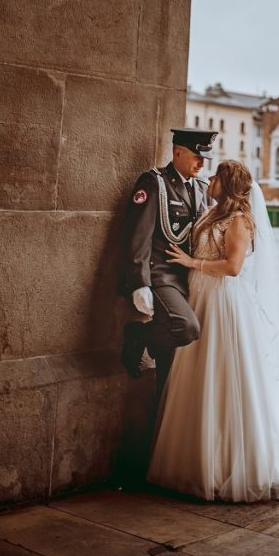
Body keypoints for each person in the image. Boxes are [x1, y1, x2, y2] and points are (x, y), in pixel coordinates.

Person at [147, 159, 279, 502]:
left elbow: (233, 267)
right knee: (200, 378)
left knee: (226, 376)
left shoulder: (238, 221)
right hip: (201, 298)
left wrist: (193, 263)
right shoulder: (211, 212)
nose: (210, 179)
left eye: (216, 176)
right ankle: (199, 461)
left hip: (224, 305)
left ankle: (235, 466)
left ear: (227, 184)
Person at [121, 127, 217, 397]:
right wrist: (140, 282)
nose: (201, 164)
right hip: (161, 275)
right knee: (186, 328)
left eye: (205, 160)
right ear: (177, 152)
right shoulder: (154, 183)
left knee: (170, 370)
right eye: (197, 157)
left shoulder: (201, 188)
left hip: (190, 277)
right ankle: (138, 336)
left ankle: (160, 428)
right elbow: (138, 235)